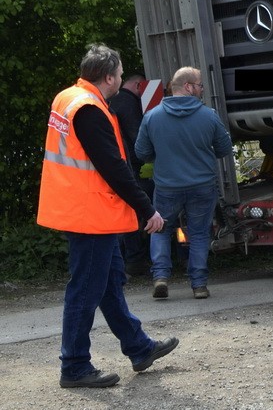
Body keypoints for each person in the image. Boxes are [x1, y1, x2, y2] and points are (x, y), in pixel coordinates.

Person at [38, 44, 178, 389]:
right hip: (90, 213)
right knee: (86, 289)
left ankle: (138, 347)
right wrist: (147, 208)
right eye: (119, 72)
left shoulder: (69, 98)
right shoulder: (88, 109)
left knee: (108, 283)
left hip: (83, 209)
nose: (120, 78)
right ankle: (73, 366)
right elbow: (112, 167)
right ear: (110, 77)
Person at [136, 66, 232, 300]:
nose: (201, 90)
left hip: (168, 187)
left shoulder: (152, 116)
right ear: (188, 87)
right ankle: (199, 285)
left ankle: (160, 277)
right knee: (199, 233)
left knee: (160, 228)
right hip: (202, 186)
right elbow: (224, 149)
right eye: (200, 85)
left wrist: (163, 156)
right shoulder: (209, 116)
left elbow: (141, 152)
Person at [108, 72, 151, 276]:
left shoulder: (111, 102)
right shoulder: (130, 103)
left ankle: (124, 261)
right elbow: (137, 138)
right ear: (138, 86)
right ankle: (135, 260)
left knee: (122, 214)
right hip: (132, 168)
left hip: (115, 168)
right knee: (137, 213)